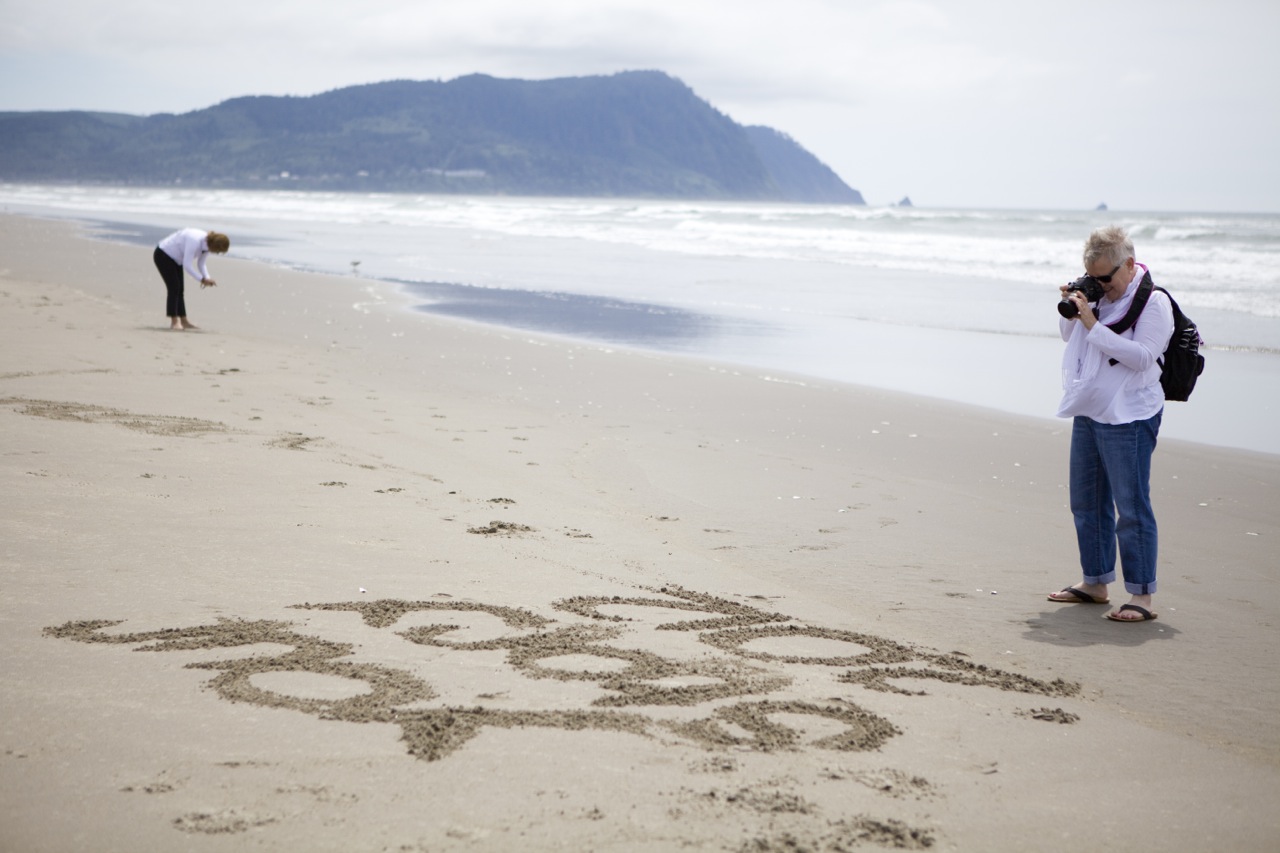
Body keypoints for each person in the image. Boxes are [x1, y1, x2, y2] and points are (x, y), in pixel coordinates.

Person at [1048, 226, 1173, 623]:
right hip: (1091, 408)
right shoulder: (1099, 299)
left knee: (1131, 507)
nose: (1102, 285)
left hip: (1130, 415)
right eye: (1094, 277)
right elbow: (1068, 335)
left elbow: (1141, 356)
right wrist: (1075, 304)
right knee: (1087, 502)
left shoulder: (1154, 303)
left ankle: (1141, 596)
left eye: (1106, 277)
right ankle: (1096, 583)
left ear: (1130, 264)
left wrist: (1093, 324)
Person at [153, 229, 230, 330]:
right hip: (163, 254)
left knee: (180, 289)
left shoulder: (207, 245)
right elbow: (187, 265)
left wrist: (207, 277)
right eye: (218, 251)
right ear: (215, 245)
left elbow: (201, 263)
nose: (217, 253)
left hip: (176, 259)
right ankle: (174, 322)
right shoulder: (194, 241)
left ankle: (184, 321)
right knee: (174, 288)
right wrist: (202, 280)